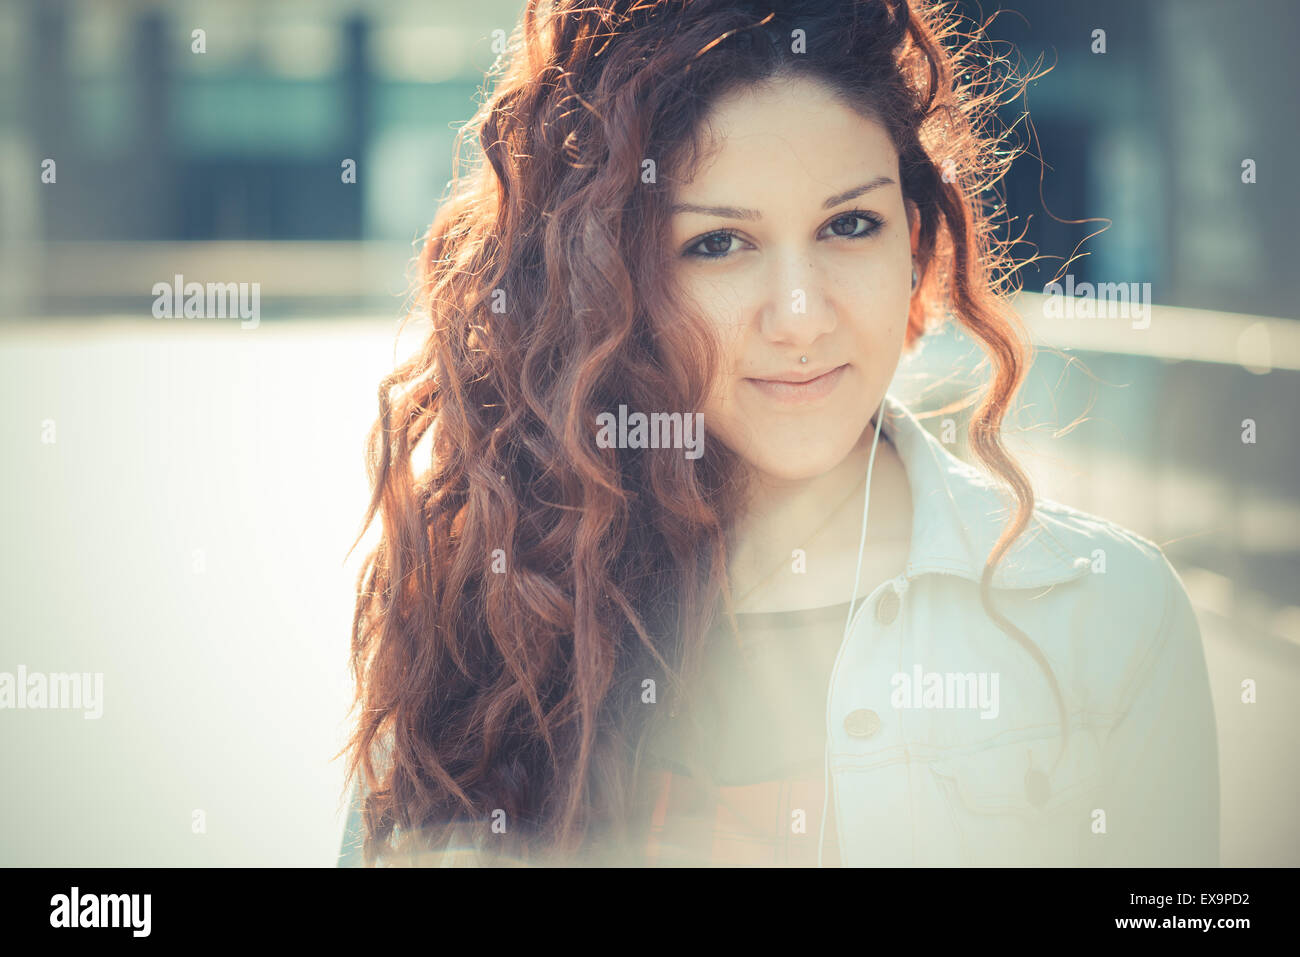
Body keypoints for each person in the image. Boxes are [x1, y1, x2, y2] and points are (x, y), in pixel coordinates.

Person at [337, 0, 1218, 868]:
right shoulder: (492, 600)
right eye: (720, 244)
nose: (799, 319)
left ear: (912, 247)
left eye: (848, 226)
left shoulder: (1104, 614)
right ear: (617, 282)